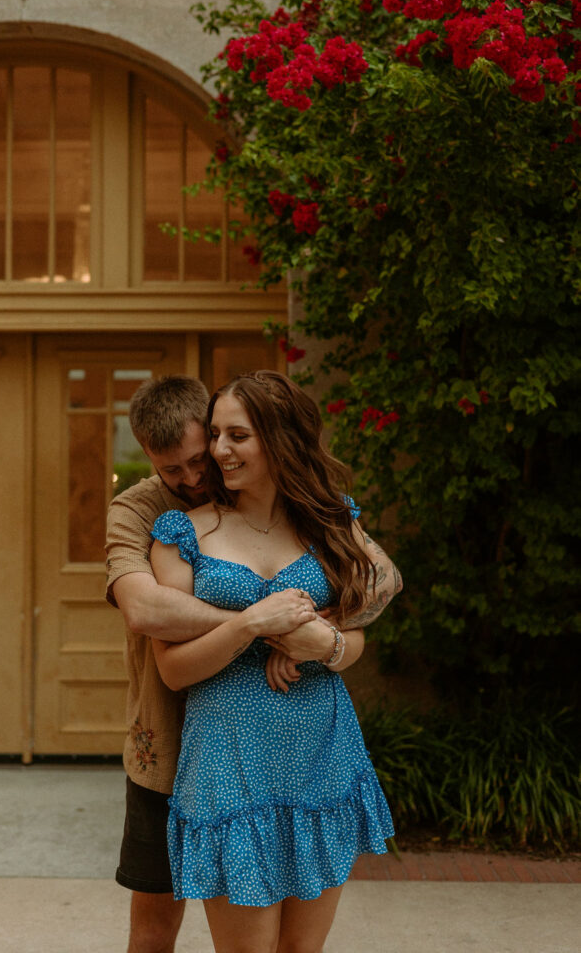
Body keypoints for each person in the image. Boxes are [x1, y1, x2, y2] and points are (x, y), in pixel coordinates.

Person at [106, 374, 402, 953]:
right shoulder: (159, 521)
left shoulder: (326, 519)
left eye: (229, 437)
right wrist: (258, 626)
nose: (207, 465)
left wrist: (326, 643)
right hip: (214, 756)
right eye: (210, 441)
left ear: (277, 439)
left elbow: (372, 599)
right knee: (157, 931)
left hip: (320, 753)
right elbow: (148, 619)